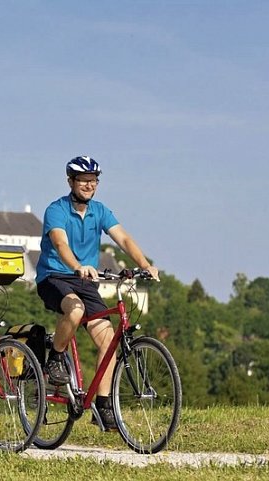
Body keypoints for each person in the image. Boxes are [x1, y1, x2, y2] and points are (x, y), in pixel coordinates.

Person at [35, 156, 159, 431]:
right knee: (75, 309)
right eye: (83, 181)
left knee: (109, 340)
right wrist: (78, 266)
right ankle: (56, 355)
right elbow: (60, 242)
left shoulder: (100, 211)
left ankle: (102, 406)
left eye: (93, 181)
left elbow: (123, 239)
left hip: (85, 281)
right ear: (71, 182)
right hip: (54, 277)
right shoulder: (56, 210)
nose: (89, 185)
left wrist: (145, 265)